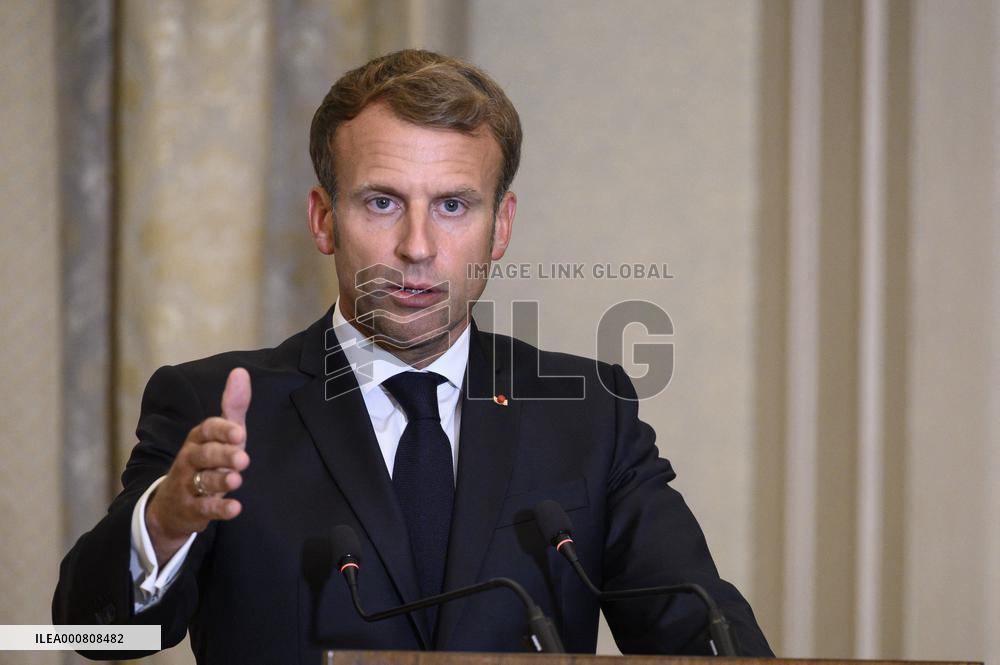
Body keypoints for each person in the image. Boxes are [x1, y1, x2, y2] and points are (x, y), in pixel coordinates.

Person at [53, 49, 772, 663]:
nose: (418, 248)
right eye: (382, 203)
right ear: (324, 218)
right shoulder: (213, 406)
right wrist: (166, 522)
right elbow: (90, 634)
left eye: (454, 205)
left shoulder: (586, 411)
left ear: (501, 226)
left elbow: (699, 629)